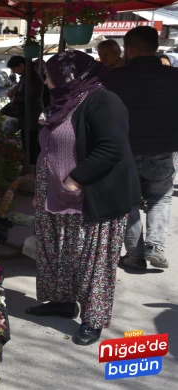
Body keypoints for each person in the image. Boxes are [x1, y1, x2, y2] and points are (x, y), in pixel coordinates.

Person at [26, 50, 140, 346]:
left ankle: (93, 318)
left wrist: (75, 179)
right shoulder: (65, 100)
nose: (47, 82)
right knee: (59, 253)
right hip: (57, 193)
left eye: (50, 76)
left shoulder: (103, 100)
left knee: (94, 261)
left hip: (93, 194)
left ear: (69, 75)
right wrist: (44, 189)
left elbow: (111, 148)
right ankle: (62, 302)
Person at [103, 26, 178, 270]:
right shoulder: (174, 76)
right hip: (163, 148)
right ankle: (155, 247)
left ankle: (134, 256)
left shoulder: (113, 79)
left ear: (131, 49)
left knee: (129, 201)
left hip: (126, 150)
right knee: (160, 198)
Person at [6, 55, 44, 165]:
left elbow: (31, 97)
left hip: (31, 115)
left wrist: (15, 97)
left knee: (30, 142)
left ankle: (32, 165)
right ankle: (30, 163)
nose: (14, 71)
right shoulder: (26, 77)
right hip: (27, 114)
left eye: (14, 69)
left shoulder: (32, 78)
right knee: (27, 141)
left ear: (22, 65)